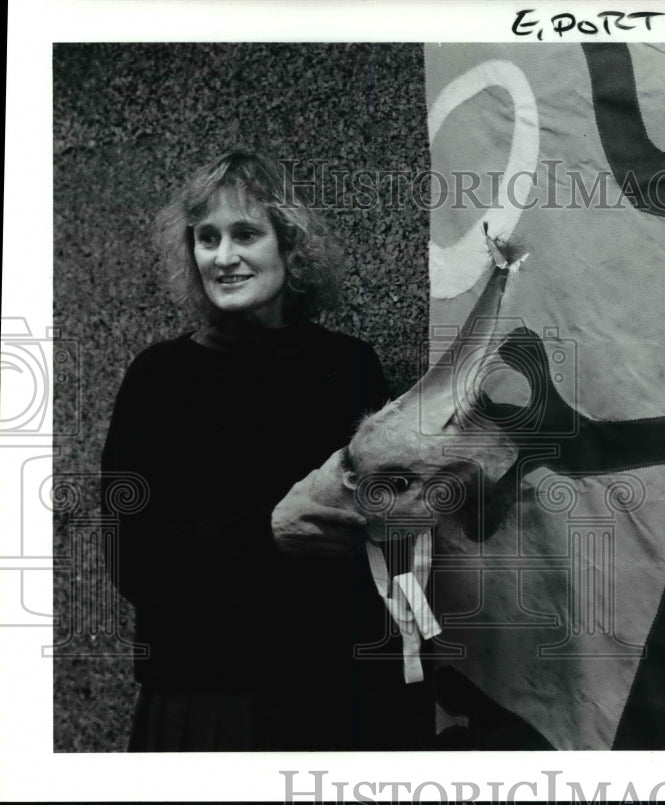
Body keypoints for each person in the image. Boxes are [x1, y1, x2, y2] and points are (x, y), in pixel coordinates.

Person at [101, 150, 434, 751]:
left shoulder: (348, 366)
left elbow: (389, 533)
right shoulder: (160, 379)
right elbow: (133, 561)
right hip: (209, 699)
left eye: (245, 234)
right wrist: (266, 532)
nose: (223, 257)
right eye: (206, 238)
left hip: (340, 693)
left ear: (289, 245)